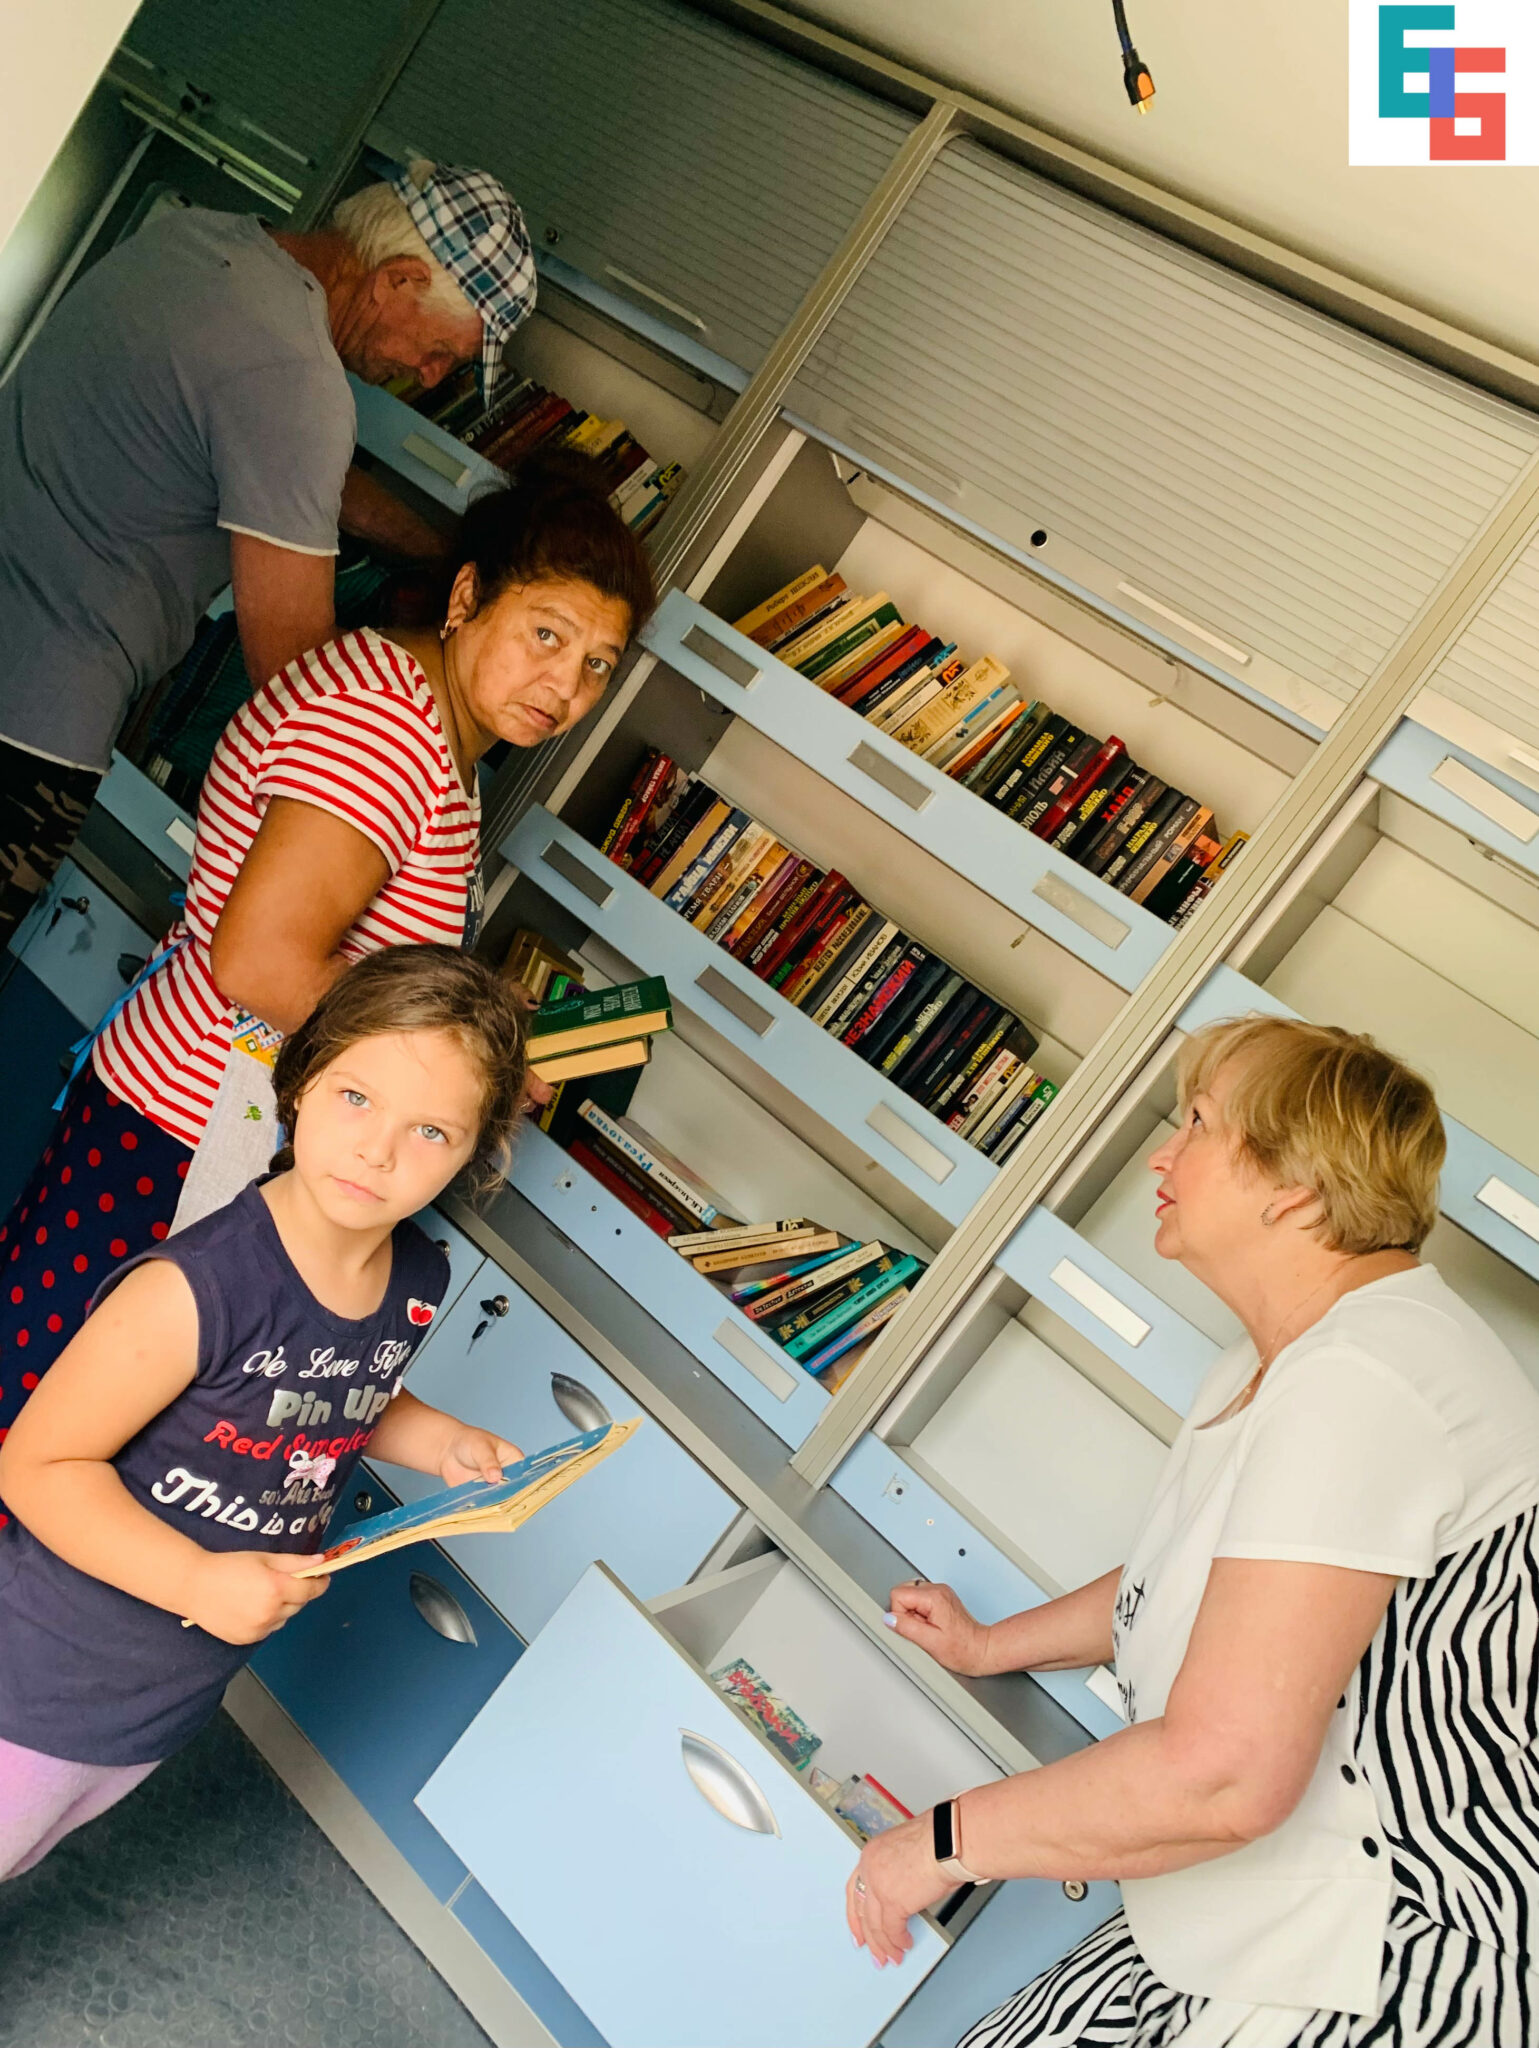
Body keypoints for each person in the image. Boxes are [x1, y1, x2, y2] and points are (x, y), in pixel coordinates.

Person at [846, 1016, 1539, 2047]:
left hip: (1388, 1953)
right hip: (1237, 1914)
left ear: (1295, 1183)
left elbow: (1223, 1771)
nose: (1162, 1156)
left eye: (1200, 1123)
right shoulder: (1276, 1360)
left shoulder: (1368, 1374)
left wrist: (940, 1842)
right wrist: (991, 1645)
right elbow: (1200, 1574)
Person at [0, 453, 655, 1437]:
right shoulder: (384, 728)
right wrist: (462, 1071)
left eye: (597, 663)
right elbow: (262, 963)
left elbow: (360, 957)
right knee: (47, 1434)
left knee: (78, 1431)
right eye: (546, 634)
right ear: (468, 598)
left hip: (201, 1132)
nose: (563, 685)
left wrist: (473, 1014)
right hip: (183, 1141)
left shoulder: (430, 722)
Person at [0, 946, 530, 1878]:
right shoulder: (196, 1288)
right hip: (44, 1673)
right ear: (302, 1078)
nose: (378, 1150)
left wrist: (442, 1440)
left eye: (430, 1131)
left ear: (474, 1151)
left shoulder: (417, 1277)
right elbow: (38, 1467)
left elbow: (340, 1397)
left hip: (164, 1690)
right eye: (356, 1097)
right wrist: (196, 1583)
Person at [0, 157, 537, 943]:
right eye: (442, 354)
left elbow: (284, 465)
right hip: (32, 718)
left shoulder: (196, 241)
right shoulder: (297, 385)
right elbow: (291, 681)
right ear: (397, 279)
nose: (427, 378)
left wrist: (441, 551)